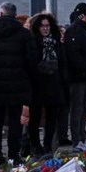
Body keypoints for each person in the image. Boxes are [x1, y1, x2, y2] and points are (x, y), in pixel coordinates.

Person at [0, 2, 37, 166]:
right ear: (14, 14)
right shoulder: (24, 34)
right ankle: (13, 155)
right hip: (18, 83)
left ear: (0, 14)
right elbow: (32, 60)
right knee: (15, 122)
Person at [27, 13, 66, 158]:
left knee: (51, 116)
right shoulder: (33, 42)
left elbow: (62, 62)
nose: (45, 29)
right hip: (37, 83)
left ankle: (47, 145)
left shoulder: (56, 42)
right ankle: (35, 146)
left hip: (53, 82)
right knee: (35, 117)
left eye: (47, 26)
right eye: (42, 26)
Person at [64, 3, 86, 151]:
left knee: (85, 109)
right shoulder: (74, 31)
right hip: (78, 77)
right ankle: (76, 140)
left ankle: (82, 138)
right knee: (77, 109)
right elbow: (74, 55)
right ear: (82, 16)